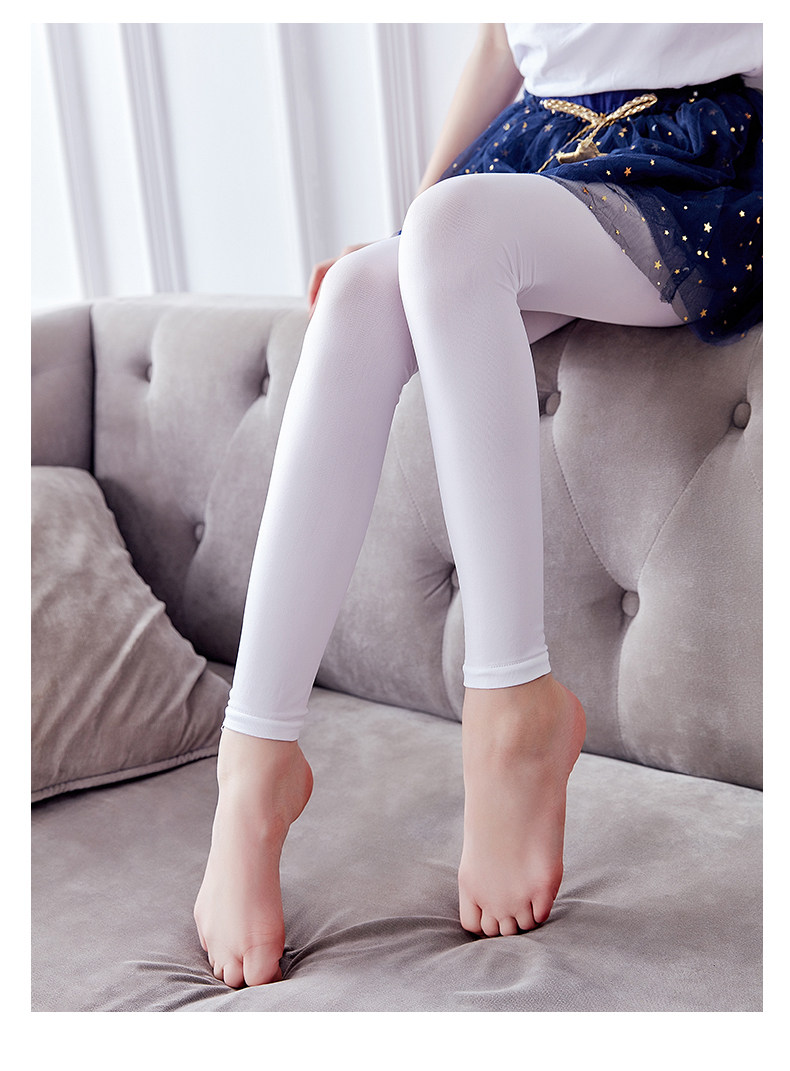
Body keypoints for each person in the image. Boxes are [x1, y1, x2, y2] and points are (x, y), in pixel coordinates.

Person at [194, 22, 763, 989]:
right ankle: (251, 767)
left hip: (695, 159)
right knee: (362, 291)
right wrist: (411, 227)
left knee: (454, 232)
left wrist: (435, 226)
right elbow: (507, 30)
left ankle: (510, 704)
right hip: (541, 145)